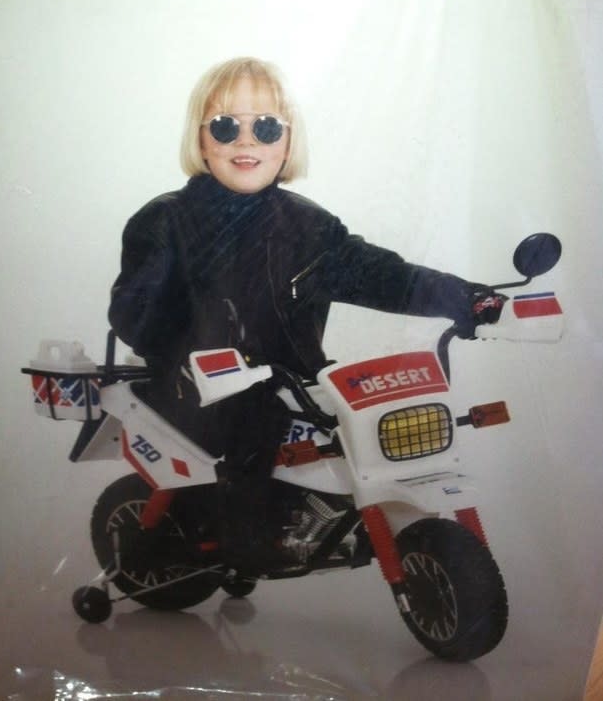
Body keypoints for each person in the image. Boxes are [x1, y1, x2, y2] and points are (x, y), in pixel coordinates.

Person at [108, 56, 504, 571]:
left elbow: (385, 274)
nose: (246, 142)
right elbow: (132, 313)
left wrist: (468, 299)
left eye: (266, 126)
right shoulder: (164, 221)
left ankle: (326, 518)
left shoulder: (309, 226)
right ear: (201, 139)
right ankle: (247, 541)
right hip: (196, 386)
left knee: (359, 408)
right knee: (257, 415)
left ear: (287, 141)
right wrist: (196, 347)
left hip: (294, 376)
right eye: (226, 127)